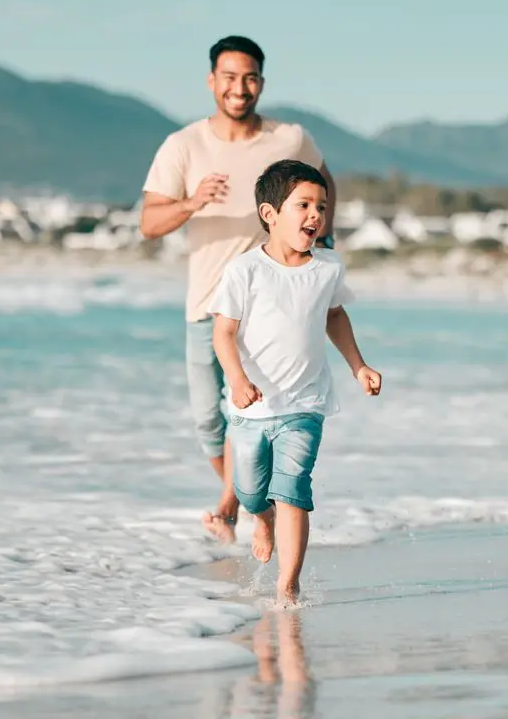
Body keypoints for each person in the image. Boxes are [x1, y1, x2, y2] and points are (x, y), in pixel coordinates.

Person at [138, 35, 339, 543]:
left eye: (249, 77)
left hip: (269, 307)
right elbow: (148, 223)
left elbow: (323, 182)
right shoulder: (183, 146)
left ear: (261, 83)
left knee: (246, 409)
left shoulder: (290, 139)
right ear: (212, 81)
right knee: (209, 420)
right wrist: (192, 203)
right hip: (207, 303)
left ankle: (237, 507)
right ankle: (250, 498)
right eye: (229, 77)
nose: (239, 87)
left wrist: (322, 236)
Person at [210, 159, 381, 603]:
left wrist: (358, 366)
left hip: (305, 404)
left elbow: (335, 316)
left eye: (321, 206)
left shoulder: (327, 268)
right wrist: (238, 378)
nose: (315, 215)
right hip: (251, 409)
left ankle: (289, 583)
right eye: (303, 204)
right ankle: (259, 517)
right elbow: (223, 332)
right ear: (270, 214)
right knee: (250, 492)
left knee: (294, 486)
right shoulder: (244, 271)